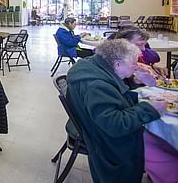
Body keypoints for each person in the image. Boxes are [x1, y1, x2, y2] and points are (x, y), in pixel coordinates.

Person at [66, 39, 164, 183]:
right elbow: (115, 124)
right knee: (163, 147)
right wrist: (150, 109)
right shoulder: (96, 86)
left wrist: (134, 85)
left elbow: (112, 94)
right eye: (133, 64)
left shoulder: (94, 67)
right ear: (117, 64)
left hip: (98, 134)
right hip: (111, 149)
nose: (136, 67)